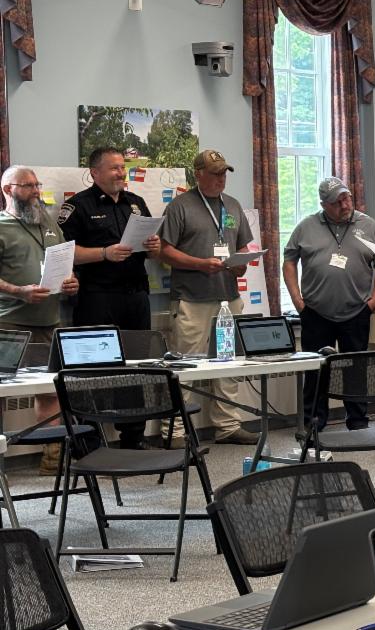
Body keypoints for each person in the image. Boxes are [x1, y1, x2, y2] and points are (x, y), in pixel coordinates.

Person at [59, 146, 162, 449]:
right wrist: (104, 253)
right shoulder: (77, 206)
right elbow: (66, 252)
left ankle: (133, 437)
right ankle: (90, 440)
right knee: (93, 372)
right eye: (114, 168)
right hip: (97, 298)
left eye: (123, 167)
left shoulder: (136, 203)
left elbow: (149, 245)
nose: (121, 173)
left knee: (137, 368)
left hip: (136, 296)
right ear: (95, 173)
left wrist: (154, 245)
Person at [158, 149, 256, 445]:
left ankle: (227, 425)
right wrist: (201, 264)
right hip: (191, 299)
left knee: (227, 364)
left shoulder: (234, 206)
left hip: (228, 297)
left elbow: (244, 248)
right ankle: (174, 431)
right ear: (198, 174)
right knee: (185, 365)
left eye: (224, 173)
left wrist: (241, 264)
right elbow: (164, 250)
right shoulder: (180, 206)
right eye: (214, 173)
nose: (220, 179)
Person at [283, 176, 375, 432]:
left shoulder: (369, 226)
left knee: (356, 370)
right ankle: (313, 423)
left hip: (356, 312)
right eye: (337, 201)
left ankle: (358, 422)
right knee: (316, 370)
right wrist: (298, 301)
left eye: (347, 197)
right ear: (324, 204)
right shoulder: (306, 227)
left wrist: (374, 300)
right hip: (316, 313)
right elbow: (289, 261)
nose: (345, 204)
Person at [0, 165, 80, 472]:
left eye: (37, 184)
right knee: (2, 392)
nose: (36, 191)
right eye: (28, 186)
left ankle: (52, 459)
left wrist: (71, 280)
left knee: (49, 390)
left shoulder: (47, 221)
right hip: (9, 323)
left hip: (49, 320)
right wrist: (18, 291)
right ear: (8, 190)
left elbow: (63, 259)